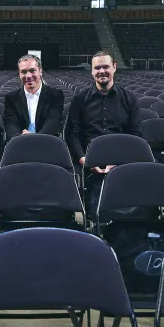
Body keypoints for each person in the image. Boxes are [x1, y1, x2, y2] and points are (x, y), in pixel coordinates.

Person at [65, 51, 142, 216]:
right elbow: (72, 135)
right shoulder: (80, 99)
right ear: (92, 71)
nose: (101, 71)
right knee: (96, 206)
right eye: (97, 68)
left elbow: (135, 135)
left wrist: (119, 162)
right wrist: (85, 160)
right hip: (88, 162)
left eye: (105, 67)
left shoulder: (129, 99)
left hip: (123, 162)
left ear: (114, 67)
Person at [3, 54, 64, 142]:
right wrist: (22, 141)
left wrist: (34, 139)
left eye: (32, 71)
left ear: (40, 71)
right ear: (19, 74)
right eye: (23, 72)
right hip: (19, 144)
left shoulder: (55, 95)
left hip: (46, 143)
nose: (28, 76)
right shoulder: (11, 98)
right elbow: (11, 125)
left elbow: (52, 123)